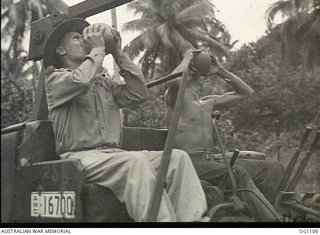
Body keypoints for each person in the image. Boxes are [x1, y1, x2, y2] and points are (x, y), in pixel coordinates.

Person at [43, 18, 208, 222]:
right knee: (135, 161)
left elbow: (138, 93)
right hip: (81, 157)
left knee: (177, 158)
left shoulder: (103, 84)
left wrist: (118, 53)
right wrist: (97, 49)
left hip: (112, 156)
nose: (83, 39)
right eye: (77, 38)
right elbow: (82, 80)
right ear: (61, 51)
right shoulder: (55, 79)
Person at [164, 49, 284, 221]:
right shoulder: (173, 100)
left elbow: (246, 92)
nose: (198, 77)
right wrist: (188, 57)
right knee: (237, 172)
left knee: (273, 168)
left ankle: (265, 213)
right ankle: (274, 222)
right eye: (193, 72)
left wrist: (220, 71)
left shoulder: (208, 103)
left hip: (213, 160)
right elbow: (174, 81)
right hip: (189, 161)